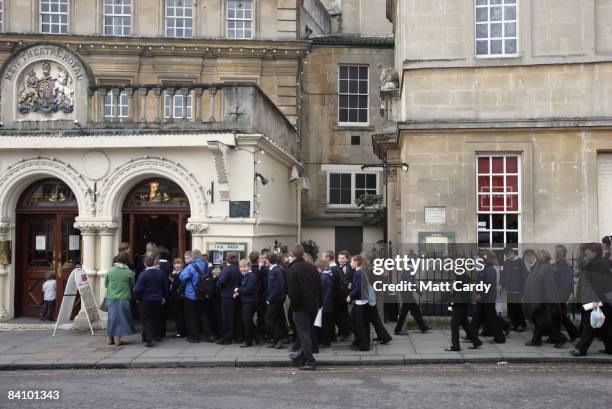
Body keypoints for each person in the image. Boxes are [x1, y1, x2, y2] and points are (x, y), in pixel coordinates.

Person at [571, 243, 612, 356]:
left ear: (594, 252)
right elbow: (577, 274)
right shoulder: (591, 263)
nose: (585, 252)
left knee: (590, 323)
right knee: (603, 324)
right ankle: (610, 347)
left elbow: (601, 284)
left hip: (595, 299)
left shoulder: (599, 264)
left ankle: (581, 348)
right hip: (591, 298)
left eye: (588, 250)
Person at [287, 245, 323, 370]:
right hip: (313, 305)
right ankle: (301, 355)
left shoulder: (292, 269)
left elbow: (293, 292)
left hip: (301, 307)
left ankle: (310, 361)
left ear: (293, 255)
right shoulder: (312, 267)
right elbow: (319, 287)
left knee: (304, 334)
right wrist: (320, 303)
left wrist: (295, 306)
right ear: (302, 254)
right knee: (307, 332)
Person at [523, 250, 567, 348]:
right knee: (539, 321)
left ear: (542, 258)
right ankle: (536, 340)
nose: (537, 258)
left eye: (539, 257)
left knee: (544, 322)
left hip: (542, 300)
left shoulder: (547, 269)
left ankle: (561, 338)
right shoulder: (538, 268)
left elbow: (549, 287)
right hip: (536, 299)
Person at [470, 251, 505, 344]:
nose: (482, 259)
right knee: (477, 317)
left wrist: (480, 295)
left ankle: (500, 337)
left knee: (492, 318)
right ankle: (471, 335)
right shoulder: (486, 268)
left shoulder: (490, 270)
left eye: (484, 257)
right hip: (485, 298)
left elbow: (488, 284)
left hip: (487, 298)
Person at [134, 255, 169, 347]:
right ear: (154, 262)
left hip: (145, 300)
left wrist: (137, 298)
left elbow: (137, 289)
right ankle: (148, 336)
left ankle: (150, 339)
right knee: (154, 318)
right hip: (157, 299)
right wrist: (164, 297)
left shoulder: (143, 274)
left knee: (146, 319)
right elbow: (166, 287)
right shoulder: (161, 273)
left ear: (145, 264)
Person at [445, 268, 482, 351]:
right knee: (465, 323)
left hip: (459, 304)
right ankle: (476, 341)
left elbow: (457, 292)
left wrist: (451, 303)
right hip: (461, 303)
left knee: (454, 324)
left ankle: (455, 346)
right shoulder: (461, 276)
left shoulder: (462, 276)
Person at [179, 250, 212, 343]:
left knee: (192, 316)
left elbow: (182, 277)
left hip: (192, 295)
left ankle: (195, 337)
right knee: (204, 315)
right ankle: (208, 335)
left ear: (193, 256)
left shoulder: (191, 266)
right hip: (204, 294)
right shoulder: (205, 265)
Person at [105, 252, 136, 346]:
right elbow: (132, 285)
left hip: (110, 297)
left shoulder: (110, 271)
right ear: (127, 261)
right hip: (124, 298)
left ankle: (109, 338)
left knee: (111, 318)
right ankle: (119, 339)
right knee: (121, 319)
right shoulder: (129, 272)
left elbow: (106, 284)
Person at [551, 245, 579, 341]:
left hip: (560, 295)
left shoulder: (565, 266)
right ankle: (555, 336)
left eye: (555, 252)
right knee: (557, 316)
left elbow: (567, 283)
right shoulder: (555, 265)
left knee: (560, 315)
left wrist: (563, 296)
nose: (553, 253)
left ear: (559, 253)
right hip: (555, 294)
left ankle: (574, 333)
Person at [394, 264, 431, 335]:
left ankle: (423, 327)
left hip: (406, 293)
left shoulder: (407, 269)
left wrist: (418, 292)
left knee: (415, 311)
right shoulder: (410, 270)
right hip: (407, 294)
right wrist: (419, 292)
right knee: (404, 313)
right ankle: (397, 330)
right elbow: (410, 283)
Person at [216, 252, 243, 345]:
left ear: (227, 259)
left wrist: (217, 280)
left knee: (227, 318)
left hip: (227, 297)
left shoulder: (227, 270)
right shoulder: (240, 269)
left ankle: (227, 338)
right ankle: (238, 337)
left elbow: (221, 282)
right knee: (237, 317)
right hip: (238, 296)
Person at [501, 246, 528, 332]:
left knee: (518, 307)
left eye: (508, 255)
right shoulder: (506, 263)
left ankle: (522, 324)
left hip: (518, 289)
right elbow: (504, 275)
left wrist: (523, 288)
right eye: (506, 256)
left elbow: (524, 275)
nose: (507, 257)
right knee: (511, 308)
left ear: (513, 253)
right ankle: (514, 324)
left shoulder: (520, 262)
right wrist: (502, 285)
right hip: (509, 289)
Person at [265, 252, 288, 349]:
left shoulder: (276, 270)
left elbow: (279, 287)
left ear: (269, 260)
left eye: (265, 259)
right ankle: (278, 340)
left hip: (276, 300)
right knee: (278, 319)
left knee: (269, 319)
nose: (263, 260)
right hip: (275, 299)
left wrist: (270, 299)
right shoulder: (272, 269)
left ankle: (278, 340)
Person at [347, 254, 370, 352]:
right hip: (360, 301)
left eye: (351, 261)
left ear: (356, 262)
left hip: (360, 302)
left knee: (357, 323)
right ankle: (359, 341)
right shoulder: (359, 272)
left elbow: (358, 288)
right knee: (353, 321)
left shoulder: (358, 273)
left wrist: (350, 296)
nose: (350, 263)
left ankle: (363, 343)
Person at [234, 259, 259, 347]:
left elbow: (249, 289)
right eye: (240, 267)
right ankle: (256, 337)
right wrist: (238, 293)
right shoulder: (246, 276)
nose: (242, 269)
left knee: (246, 321)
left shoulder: (251, 276)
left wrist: (238, 290)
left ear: (249, 267)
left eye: (244, 267)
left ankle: (248, 341)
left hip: (250, 302)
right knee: (247, 321)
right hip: (247, 301)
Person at [315, 259, 334, 348]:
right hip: (327, 303)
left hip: (324, 304)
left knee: (324, 324)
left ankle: (326, 342)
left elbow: (320, 291)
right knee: (326, 323)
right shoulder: (327, 275)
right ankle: (326, 341)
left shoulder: (323, 277)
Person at [169, 258, 186, 338]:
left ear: (182, 264)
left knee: (181, 314)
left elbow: (179, 283)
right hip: (174, 296)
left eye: (178, 263)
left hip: (181, 296)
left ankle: (182, 331)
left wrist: (174, 276)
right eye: (175, 263)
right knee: (177, 315)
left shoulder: (183, 272)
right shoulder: (172, 273)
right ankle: (179, 330)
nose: (176, 265)